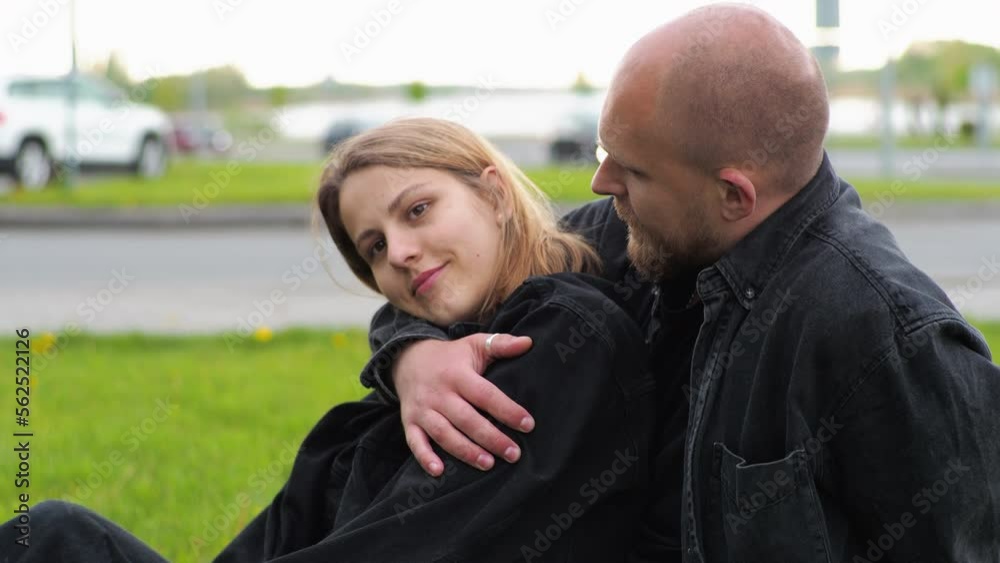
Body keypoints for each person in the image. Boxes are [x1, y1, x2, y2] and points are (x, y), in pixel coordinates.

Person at [363, 5, 1000, 563]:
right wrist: (414, 355)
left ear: (732, 195)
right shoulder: (621, 232)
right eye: (601, 151)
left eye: (632, 169)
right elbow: (461, 270)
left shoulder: (888, 337)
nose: (601, 184)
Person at [0, 117, 658, 562]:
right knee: (52, 536)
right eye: (374, 245)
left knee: (52, 537)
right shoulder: (439, 353)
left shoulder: (560, 337)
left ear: (493, 194)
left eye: (418, 209)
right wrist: (408, 353)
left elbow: (418, 542)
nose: (399, 252)